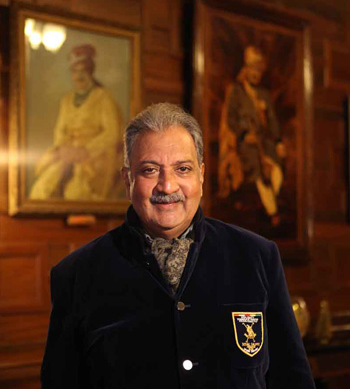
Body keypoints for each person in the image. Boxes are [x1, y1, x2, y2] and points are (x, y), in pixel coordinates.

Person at [41, 103, 315, 389]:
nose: (167, 186)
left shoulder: (257, 256)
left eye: (182, 169)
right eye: (150, 170)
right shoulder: (75, 276)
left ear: (201, 175)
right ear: (127, 180)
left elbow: (293, 380)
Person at [29, 44, 123, 201]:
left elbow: (112, 133)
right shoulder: (66, 101)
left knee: (75, 194)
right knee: (41, 190)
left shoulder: (103, 98)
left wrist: (85, 150)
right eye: (75, 71)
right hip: (68, 153)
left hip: (95, 157)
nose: (79, 76)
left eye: (83, 71)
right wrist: (65, 149)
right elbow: (60, 131)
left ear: (90, 72)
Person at [219, 46, 286, 226]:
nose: (256, 74)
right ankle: (273, 213)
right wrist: (243, 134)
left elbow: (272, 120)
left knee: (277, 171)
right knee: (258, 172)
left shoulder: (264, 94)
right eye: (253, 69)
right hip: (246, 144)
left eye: (259, 70)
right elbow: (231, 118)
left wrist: (278, 141)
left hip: (266, 143)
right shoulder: (236, 91)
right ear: (246, 69)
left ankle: (269, 204)